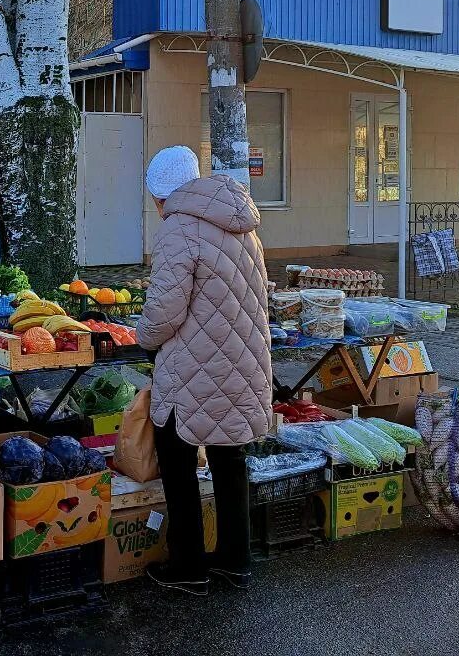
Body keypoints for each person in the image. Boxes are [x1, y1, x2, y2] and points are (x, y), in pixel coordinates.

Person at [135, 145, 273, 596]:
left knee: (176, 459)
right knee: (229, 457)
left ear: (162, 196)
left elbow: (165, 312)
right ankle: (237, 561)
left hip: (194, 367)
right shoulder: (243, 224)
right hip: (243, 360)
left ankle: (188, 565)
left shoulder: (179, 228)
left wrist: (142, 337)